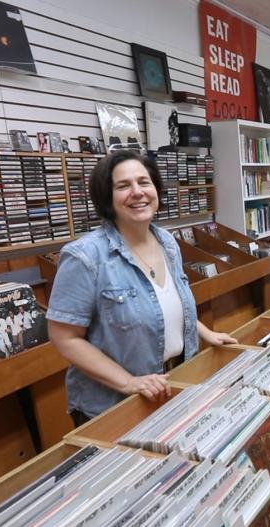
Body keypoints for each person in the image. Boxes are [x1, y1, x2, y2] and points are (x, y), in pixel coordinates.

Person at [47, 150, 236, 426]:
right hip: (115, 407)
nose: (138, 192)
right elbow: (64, 337)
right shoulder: (85, 256)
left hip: (171, 387)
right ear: (107, 198)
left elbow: (170, 304)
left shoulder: (168, 243)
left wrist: (207, 333)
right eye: (123, 186)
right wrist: (129, 382)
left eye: (144, 182)